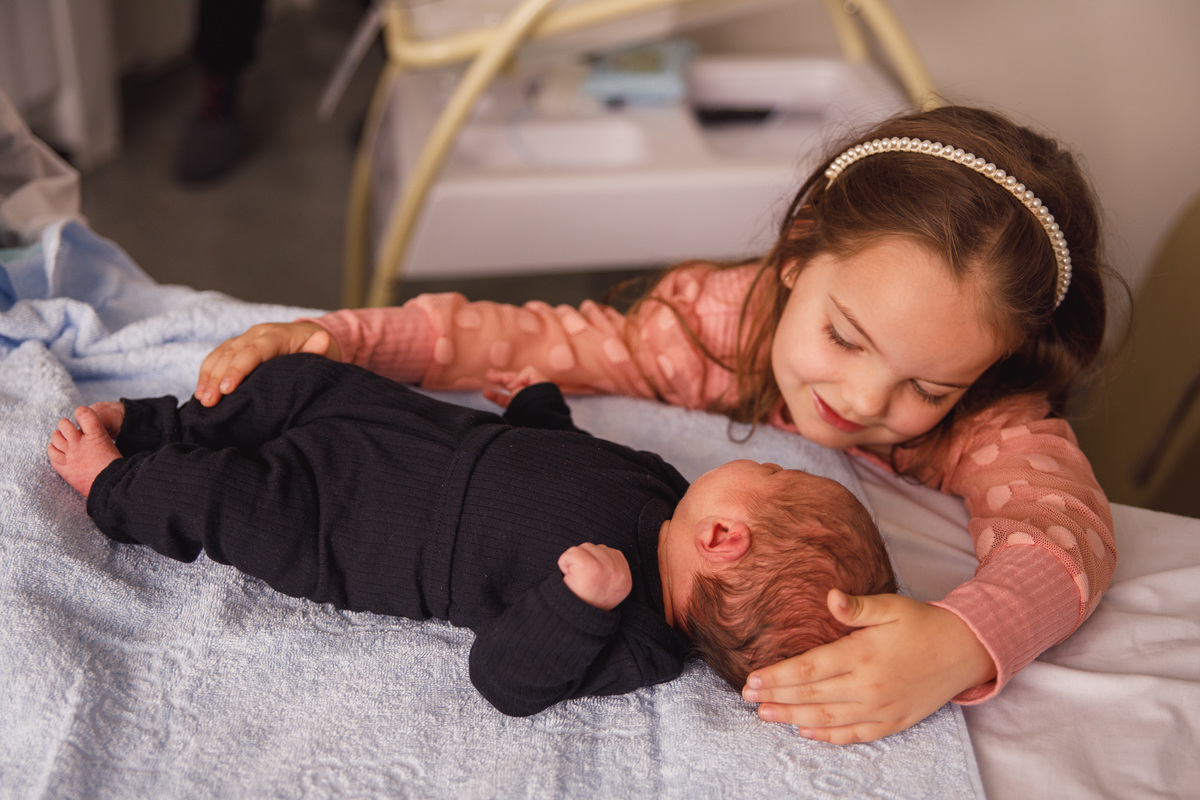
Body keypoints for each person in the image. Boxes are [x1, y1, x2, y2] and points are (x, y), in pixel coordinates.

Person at [189, 105, 1122, 742]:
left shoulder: (990, 421)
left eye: (928, 385)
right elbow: (536, 341)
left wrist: (962, 642)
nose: (870, 400)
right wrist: (344, 336)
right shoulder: (714, 329)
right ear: (797, 258)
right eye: (845, 336)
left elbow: (1062, 535)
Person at [47, 354, 896, 718]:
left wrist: (579, 607)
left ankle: (114, 486)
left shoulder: (638, 641)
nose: (771, 466)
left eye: (777, 479)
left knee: (237, 501)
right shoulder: (670, 496)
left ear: (723, 541)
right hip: (416, 435)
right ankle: (162, 423)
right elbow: (578, 461)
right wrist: (538, 415)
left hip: (356, 529)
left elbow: (503, 678)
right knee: (299, 384)